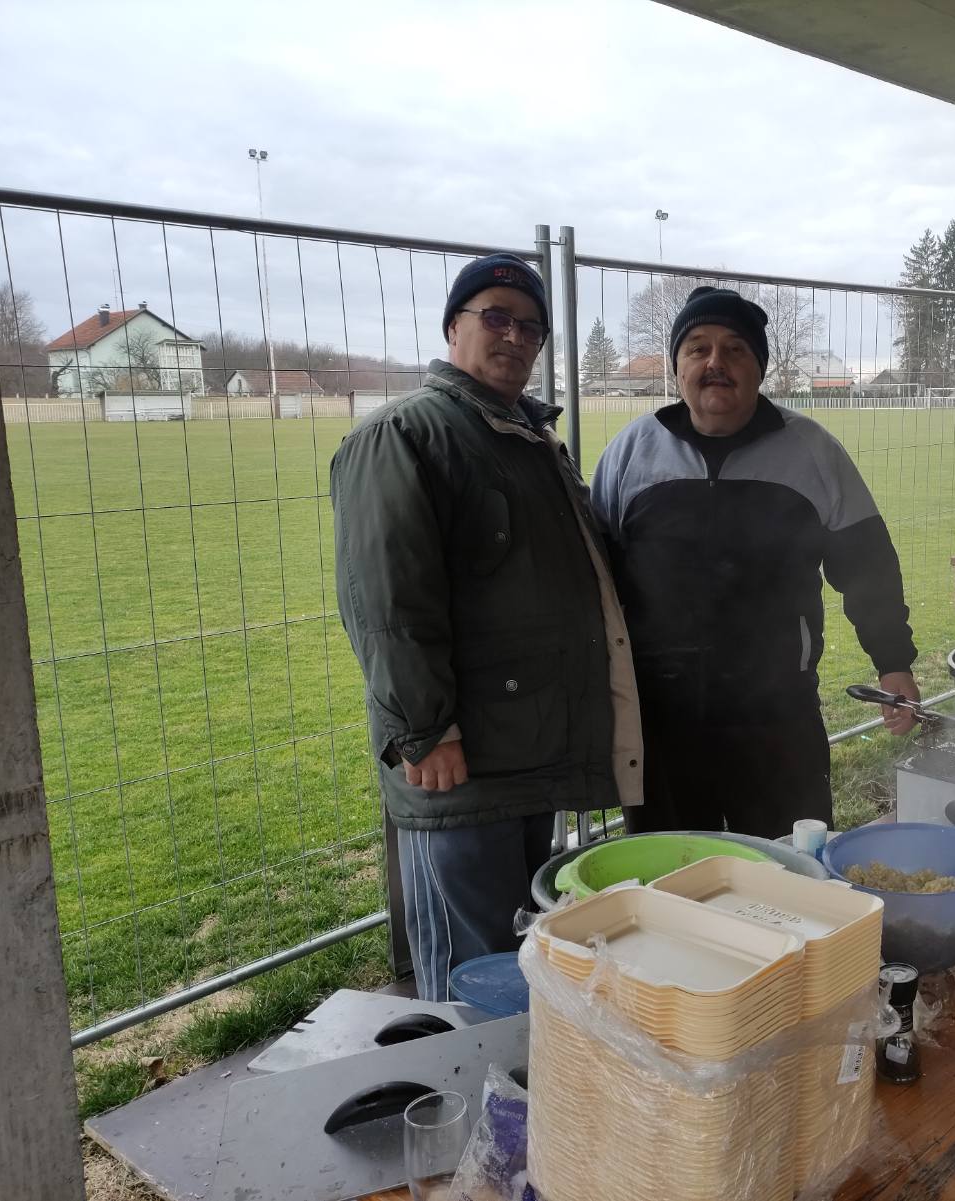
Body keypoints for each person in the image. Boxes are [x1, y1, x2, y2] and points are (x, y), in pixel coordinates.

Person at [331, 252, 641, 999]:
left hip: (526, 751)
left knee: (513, 951)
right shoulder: (408, 434)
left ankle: (512, 1098)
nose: (514, 337)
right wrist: (426, 728)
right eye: (494, 317)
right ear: (453, 327)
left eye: (530, 326)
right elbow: (387, 599)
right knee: (468, 972)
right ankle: (465, 1103)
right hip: (459, 762)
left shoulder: (523, 437)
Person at [591, 286, 919, 838]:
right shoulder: (631, 451)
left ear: (760, 367)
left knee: (792, 876)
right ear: (677, 367)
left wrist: (894, 661)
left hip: (778, 718)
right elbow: (594, 583)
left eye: (735, 349)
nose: (715, 362)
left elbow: (868, 567)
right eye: (697, 348)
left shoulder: (813, 451)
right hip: (659, 722)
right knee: (670, 885)